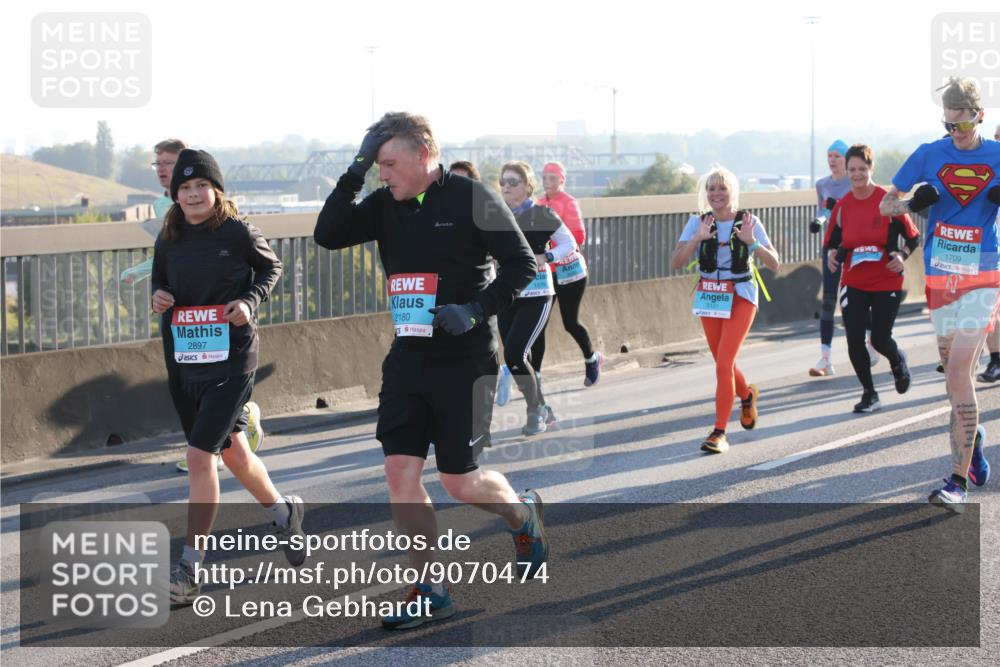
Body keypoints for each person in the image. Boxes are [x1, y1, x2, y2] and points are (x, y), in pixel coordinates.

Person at [313, 112, 549, 630]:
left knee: (459, 481)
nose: (382, 175)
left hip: (465, 360)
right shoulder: (384, 204)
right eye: (376, 165)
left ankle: (521, 514)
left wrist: (475, 310)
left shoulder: (471, 197)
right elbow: (327, 234)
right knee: (400, 472)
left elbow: (522, 265)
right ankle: (431, 589)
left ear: (423, 155)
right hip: (408, 358)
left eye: (389, 163)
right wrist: (355, 168)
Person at [151, 149, 306, 603]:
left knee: (200, 457)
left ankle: (189, 570)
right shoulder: (169, 235)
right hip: (186, 360)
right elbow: (160, 282)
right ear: (175, 194)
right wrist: (159, 295)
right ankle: (284, 514)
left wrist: (249, 301)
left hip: (233, 358)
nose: (193, 194)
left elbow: (271, 267)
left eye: (202, 185)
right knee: (235, 453)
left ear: (217, 190)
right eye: (184, 187)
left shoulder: (236, 231)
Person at [880, 77, 999, 511]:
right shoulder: (928, 154)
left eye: (962, 125)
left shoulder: (997, 156)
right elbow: (885, 205)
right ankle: (974, 439)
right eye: (948, 125)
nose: (955, 133)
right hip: (940, 279)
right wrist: (912, 203)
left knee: (960, 371)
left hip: (983, 278)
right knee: (954, 379)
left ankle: (957, 482)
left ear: (979, 116)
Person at [670, 166, 780, 453]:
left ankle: (719, 432)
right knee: (723, 361)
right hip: (711, 297)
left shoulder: (750, 221)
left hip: (741, 295)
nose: (716, 194)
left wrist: (752, 242)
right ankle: (747, 395)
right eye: (711, 189)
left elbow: (774, 263)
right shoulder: (697, 222)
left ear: (733, 191)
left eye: (722, 188)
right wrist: (697, 238)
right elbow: (676, 262)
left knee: (723, 363)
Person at [825, 144, 920, 413]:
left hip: (885, 280)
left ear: (871, 168)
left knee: (879, 339)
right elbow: (832, 242)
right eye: (852, 169)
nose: (856, 174)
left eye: (862, 169)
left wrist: (901, 255)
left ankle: (897, 359)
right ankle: (869, 393)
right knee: (854, 339)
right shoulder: (843, 206)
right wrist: (832, 254)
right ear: (846, 171)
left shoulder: (887, 201)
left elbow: (913, 237)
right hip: (853, 281)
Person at [496, 161, 578, 434]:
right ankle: (543, 408)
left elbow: (569, 243)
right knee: (518, 359)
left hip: (537, 293)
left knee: (515, 355)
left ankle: (535, 414)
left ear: (527, 186)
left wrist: (547, 256)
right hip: (507, 295)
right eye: (503, 182)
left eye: (513, 182)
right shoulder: (495, 215)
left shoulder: (541, 214)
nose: (506, 186)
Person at [529, 161, 603, 388]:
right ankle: (535, 376)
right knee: (538, 325)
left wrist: (553, 246)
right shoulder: (539, 205)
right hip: (547, 273)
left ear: (562, 180)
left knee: (570, 322)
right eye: (544, 177)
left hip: (570, 272)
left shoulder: (569, 203)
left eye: (552, 178)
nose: (547, 182)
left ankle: (592, 359)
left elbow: (578, 237)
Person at [810, 140, 877, 376]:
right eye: (829, 155)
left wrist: (836, 205)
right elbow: (823, 211)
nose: (832, 160)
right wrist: (818, 222)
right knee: (828, 299)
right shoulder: (822, 184)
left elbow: (863, 207)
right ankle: (825, 358)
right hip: (832, 247)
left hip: (856, 246)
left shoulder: (857, 181)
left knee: (862, 296)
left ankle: (871, 343)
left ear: (846, 160)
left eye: (837, 156)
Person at [976, 123, 1000, 383]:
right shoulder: (988, 169)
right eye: (995, 137)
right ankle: (996, 359)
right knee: (990, 308)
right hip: (990, 252)